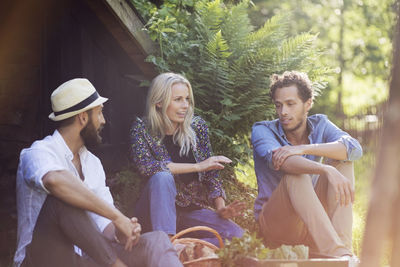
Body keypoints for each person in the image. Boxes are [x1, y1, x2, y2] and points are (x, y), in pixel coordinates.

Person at [14, 78, 182, 267]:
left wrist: (120, 230)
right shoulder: (38, 152)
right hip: (43, 260)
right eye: (100, 113)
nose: (103, 121)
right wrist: (118, 216)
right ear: (83, 117)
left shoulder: (93, 163)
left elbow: (103, 224)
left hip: (86, 259)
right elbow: (55, 181)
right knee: (62, 200)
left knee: (157, 241)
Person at [251, 71, 363, 258]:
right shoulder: (262, 130)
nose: (283, 112)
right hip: (277, 224)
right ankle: (337, 252)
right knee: (297, 174)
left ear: (307, 104)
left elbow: (354, 149)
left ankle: (343, 254)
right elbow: (284, 162)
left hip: (310, 224)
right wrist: (324, 169)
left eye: (290, 104)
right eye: (278, 105)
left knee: (344, 163)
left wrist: (304, 148)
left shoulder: (321, 124)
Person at [130, 72, 245, 247]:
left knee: (238, 237)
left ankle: (184, 248)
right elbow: (148, 167)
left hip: (190, 212)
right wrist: (198, 166)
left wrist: (221, 208)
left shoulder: (197, 127)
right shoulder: (142, 129)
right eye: (177, 99)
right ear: (159, 102)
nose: (185, 106)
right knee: (162, 176)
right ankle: (167, 246)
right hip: (153, 214)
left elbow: (212, 174)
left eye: (187, 99)